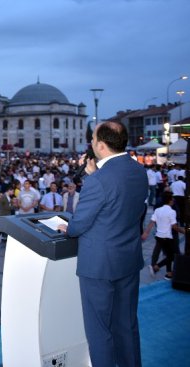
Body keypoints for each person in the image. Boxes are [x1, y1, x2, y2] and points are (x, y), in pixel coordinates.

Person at [58, 121, 147, 367]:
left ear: (100, 145)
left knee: (100, 331)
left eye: (93, 140)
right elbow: (127, 207)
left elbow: (78, 225)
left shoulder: (97, 181)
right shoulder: (138, 171)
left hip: (99, 266)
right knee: (126, 325)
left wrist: (70, 228)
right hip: (127, 259)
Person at [142, 191, 186, 280]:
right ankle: (156, 267)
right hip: (167, 237)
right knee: (172, 255)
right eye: (172, 199)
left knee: (169, 255)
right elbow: (174, 227)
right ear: (170, 200)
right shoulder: (172, 212)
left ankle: (169, 274)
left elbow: (151, 222)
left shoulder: (158, 210)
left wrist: (146, 233)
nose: (173, 200)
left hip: (159, 236)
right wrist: (184, 231)